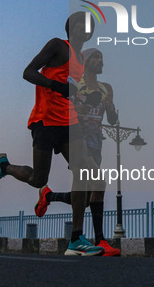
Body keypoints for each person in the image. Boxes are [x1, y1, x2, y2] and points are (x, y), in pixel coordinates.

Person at [0, 11, 104, 256]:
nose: (85, 28)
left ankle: (76, 239)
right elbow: (28, 72)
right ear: (69, 28)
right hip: (45, 121)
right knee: (39, 179)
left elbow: (69, 90)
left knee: (84, 172)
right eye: (80, 24)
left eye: (89, 26)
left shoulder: (81, 58)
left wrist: (81, 97)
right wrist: (55, 85)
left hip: (69, 123)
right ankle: (4, 166)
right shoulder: (58, 46)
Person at [34, 48, 121, 256]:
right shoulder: (75, 84)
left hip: (96, 143)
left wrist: (110, 107)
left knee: (89, 192)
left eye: (102, 57)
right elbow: (65, 110)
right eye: (96, 57)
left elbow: (111, 120)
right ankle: (100, 240)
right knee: (98, 184)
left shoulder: (106, 88)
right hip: (76, 141)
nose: (100, 61)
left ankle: (49, 196)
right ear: (86, 62)